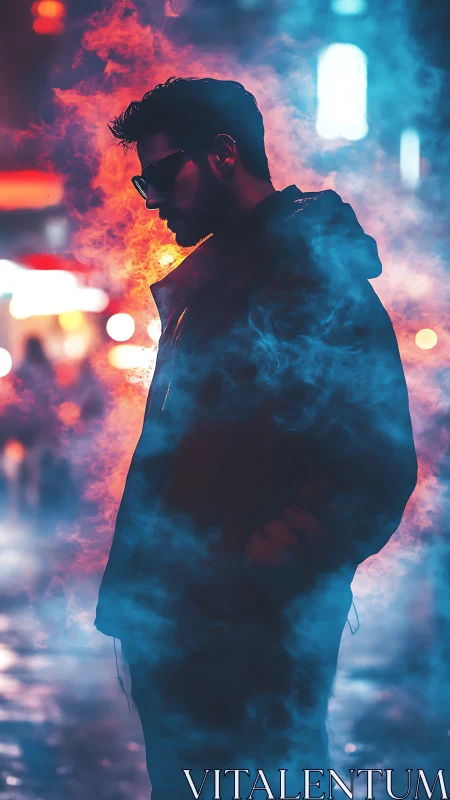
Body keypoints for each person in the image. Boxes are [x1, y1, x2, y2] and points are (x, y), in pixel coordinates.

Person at [95, 78, 417, 797]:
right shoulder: (219, 279)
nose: (151, 200)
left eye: (159, 176)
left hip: (252, 639)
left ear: (221, 155)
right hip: (185, 631)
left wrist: (265, 562)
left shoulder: (312, 277)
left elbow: (377, 465)